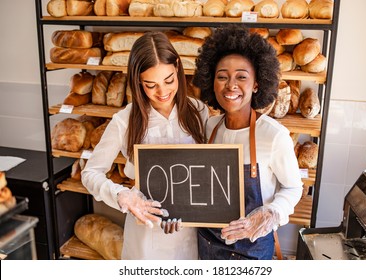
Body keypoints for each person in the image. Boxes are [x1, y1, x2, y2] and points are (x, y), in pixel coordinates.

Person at [81, 31, 209, 259]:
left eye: (169, 80)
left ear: (178, 67)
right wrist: (122, 195)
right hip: (146, 232)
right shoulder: (125, 120)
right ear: (138, 81)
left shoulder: (199, 111)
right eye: (151, 85)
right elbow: (90, 173)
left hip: (190, 230)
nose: (162, 92)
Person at [192, 24, 303, 260]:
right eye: (222, 76)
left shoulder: (274, 135)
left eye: (241, 77)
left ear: (256, 84)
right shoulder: (210, 128)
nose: (231, 85)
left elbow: (294, 187)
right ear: (212, 82)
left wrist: (272, 212)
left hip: (251, 252)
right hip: (207, 246)